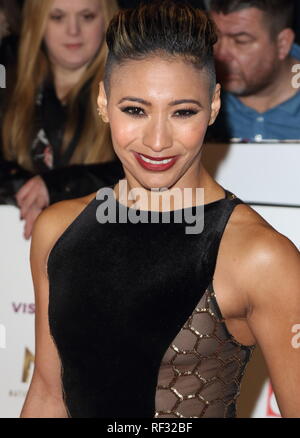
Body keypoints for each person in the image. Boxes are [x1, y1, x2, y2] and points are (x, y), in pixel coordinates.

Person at [20, 0, 300, 418]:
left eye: (182, 111)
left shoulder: (259, 257)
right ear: (103, 101)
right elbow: (46, 394)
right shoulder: (57, 229)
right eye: (135, 110)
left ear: (214, 106)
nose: (156, 141)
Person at [0, 0, 124, 239]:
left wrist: (56, 186)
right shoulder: (8, 72)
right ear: (38, 22)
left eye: (87, 16)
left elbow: (148, 175)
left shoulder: (134, 84)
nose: (73, 30)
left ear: (107, 20)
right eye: (57, 17)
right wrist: (25, 188)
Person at [205, 0, 300, 142]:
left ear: (282, 44)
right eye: (215, 39)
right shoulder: (197, 91)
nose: (221, 54)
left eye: (240, 41)